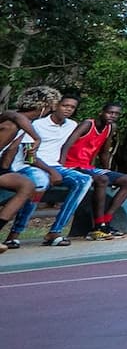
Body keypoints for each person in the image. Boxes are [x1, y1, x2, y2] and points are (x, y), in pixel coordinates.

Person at [5, 93, 94, 248]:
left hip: (55, 166)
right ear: (55, 106)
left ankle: (55, 231)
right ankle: (14, 233)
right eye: (65, 105)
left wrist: (59, 167)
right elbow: (28, 157)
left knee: (84, 180)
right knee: (41, 182)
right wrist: (51, 171)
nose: (68, 109)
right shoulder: (37, 124)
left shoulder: (71, 125)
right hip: (30, 166)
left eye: (72, 107)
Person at [62, 102, 127, 239]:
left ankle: (106, 221)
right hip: (71, 166)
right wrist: (60, 167)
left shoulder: (110, 128)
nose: (112, 116)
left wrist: (108, 172)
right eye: (110, 112)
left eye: (116, 114)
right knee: (102, 180)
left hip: (88, 167)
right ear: (101, 112)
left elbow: (104, 153)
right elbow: (67, 144)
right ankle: (98, 225)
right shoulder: (87, 124)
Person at [0, 113, 45, 252]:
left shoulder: (22, 129)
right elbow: (16, 116)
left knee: (27, 185)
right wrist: (37, 138)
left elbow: (11, 154)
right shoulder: (11, 121)